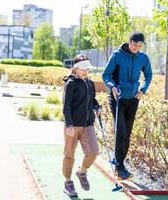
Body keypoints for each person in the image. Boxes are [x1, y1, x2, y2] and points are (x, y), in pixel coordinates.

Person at [102, 31, 153, 180]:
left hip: (133, 99)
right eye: (135, 44)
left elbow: (149, 75)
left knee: (127, 133)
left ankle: (120, 164)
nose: (137, 47)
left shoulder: (143, 58)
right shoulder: (117, 55)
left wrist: (143, 89)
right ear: (129, 42)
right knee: (121, 131)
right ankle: (119, 167)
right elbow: (106, 75)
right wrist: (112, 86)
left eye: (140, 45)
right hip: (117, 98)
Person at [62, 54, 102, 197]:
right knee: (69, 155)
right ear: (76, 68)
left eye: (88, 69)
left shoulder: (90, 83)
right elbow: (66, 106)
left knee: (93, 152)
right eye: (83, 69)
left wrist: (98, 107)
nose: (86, 71)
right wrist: (69, 125)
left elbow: (93, 101)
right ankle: (68, 182)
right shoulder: (71, 83)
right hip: (73, 125)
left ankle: (82, 171)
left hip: (88, 124)